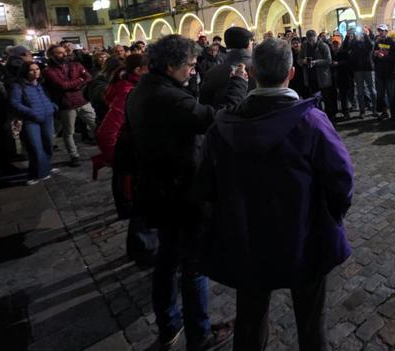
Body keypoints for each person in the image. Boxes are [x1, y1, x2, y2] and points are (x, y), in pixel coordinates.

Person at [196, 38, 353, 350]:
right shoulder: (311, 122)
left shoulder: (222, 128)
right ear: (291, 74)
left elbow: (206, 188)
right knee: (311, 323)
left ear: (252, 73)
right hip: (305, 236)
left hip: (247, 239)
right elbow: (341, 179)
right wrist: (333, 215)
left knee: (250, 320)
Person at [126, 35, 232, 351]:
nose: (193, 69)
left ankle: (169, 326)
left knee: (167, 261)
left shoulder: (143, 90)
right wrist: (238, 83)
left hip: (158, 191)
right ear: (170, 66)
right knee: (194, 266)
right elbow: (216, 118)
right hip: (182, 194)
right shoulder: (169, 98)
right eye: (189, 64)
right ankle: (199, 335)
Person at [43, 45, 96, 167]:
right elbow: (62, 85)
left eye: (64, 52)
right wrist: (80, 81)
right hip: (66, 104)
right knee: (68, 132)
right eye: (60, 53)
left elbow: (88, 77)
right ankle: (74, 156)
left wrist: (75, 83)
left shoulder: (75, 65)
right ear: (51, 55)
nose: (64, 54)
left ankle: (106, 148)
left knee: (96, 125)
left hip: (82, 101)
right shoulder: (48, 71)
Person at [95, 54, 148, 166]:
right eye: (151, 69)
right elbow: (106, 133)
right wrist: (115, 160)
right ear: (138, 70)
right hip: (130, 153)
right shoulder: (128, 91)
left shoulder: (128, 83)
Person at [9, 62, 57, 184]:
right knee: (35, 147)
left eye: (37, 69)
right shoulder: (19, 86)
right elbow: (15, 103)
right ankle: (35, 174)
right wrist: (31, 112)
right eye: (32, 70)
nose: (35, 72)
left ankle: (45, 167)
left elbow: (47, 97)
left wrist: (52, 106)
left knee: (48, 143)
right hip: (31, 120)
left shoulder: (41, 83)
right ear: (26, 72)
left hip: (47, 117)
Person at [200, 26, 254, 107]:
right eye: (251, 41)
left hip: (223, 113)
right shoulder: (259, 68)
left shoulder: (212, 72)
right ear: (248, 43)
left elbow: (205, 103)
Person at [298, 30, 336, 121]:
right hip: (310, 77)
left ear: (316, 37)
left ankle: (330, 117)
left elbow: (328, 60)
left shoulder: (323, 46)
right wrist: (303, 61)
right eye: (309, 40)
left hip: (322, 77)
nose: (311, 42)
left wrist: (316, 62)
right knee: (315, 98)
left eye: (312, 40)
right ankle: (319, 117)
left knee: (326, 98)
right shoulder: (304, 46)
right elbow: (299, 58)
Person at [373, 24, 395, 121]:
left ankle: (393, 113)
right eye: (379, 30)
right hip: (380, 73)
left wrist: (385, 56)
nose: (380, 32)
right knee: (380, 94)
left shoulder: (391, 41)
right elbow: (373, 57)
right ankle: (384, 112)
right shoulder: (377, 42)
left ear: (386, 32)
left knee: (391, 94)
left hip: (390, 73)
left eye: (382, 30)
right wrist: (375, 55)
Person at [331, 38, 353, 119]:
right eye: (334, 44)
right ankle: (336, 112)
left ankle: (346, 112)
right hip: (334, 77)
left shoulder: (344, 52)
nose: (335, 46)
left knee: (344, 96)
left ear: (340, 44)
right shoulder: (330, 53)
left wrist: (338, 63)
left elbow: (349, 62)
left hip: (344, 77)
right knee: (335, 96)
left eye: (337, 44)